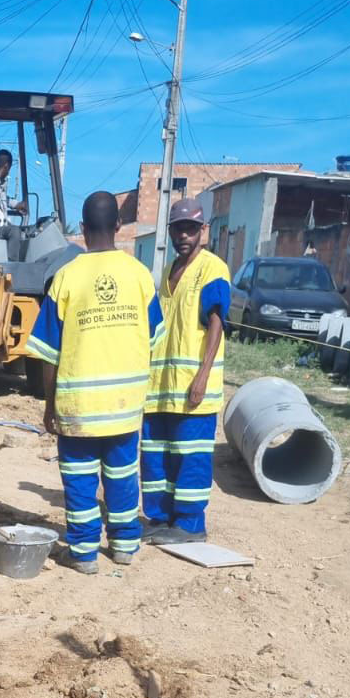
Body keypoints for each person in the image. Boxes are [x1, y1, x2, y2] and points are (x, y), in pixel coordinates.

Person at [26, 191, 164, 573]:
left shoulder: (66, 277)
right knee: (121, 477)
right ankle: (123, 546)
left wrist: (49, 404)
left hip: (78, 407)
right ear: (119, 226)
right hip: (123, 404)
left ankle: (85, 553)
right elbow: (154, 338)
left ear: (82, 230)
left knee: (80, 480)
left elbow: (48, 353)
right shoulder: (139, 275)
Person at [142, 197, 230, 545]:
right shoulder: (167, 272)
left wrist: (202, 376)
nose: (184, 236)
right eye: (178, 229)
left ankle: (191, 524)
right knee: (158, 457)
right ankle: (162, 518)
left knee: (190, 456)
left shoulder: (212, 269)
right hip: (161, 388)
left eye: (191, 229)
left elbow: (216, 322)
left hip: (193, 387)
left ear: (203, 231)